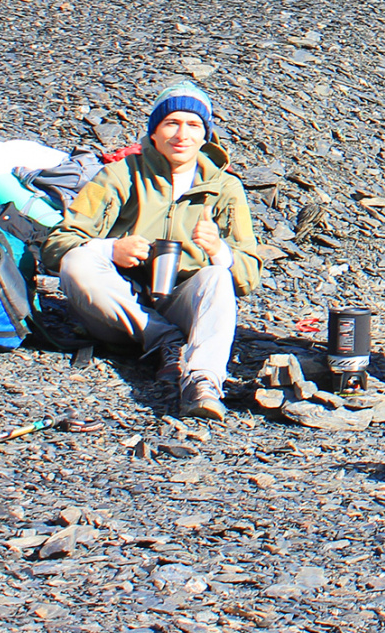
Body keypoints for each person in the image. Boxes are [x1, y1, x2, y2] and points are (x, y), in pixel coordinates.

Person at [41, 81, 261, 420]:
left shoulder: (225, 188)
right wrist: (111, 249)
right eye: (171, 123)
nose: (181, 134)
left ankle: (202, 383)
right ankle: (165, 340)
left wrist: (219, 249)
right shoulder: (117, 175)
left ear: (206, 135)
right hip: (119, 309)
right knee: (78, 260)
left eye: (193, 125)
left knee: (218, 275)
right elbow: (58, 245)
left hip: (182, 302)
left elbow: (248, 277)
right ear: (154, 132)